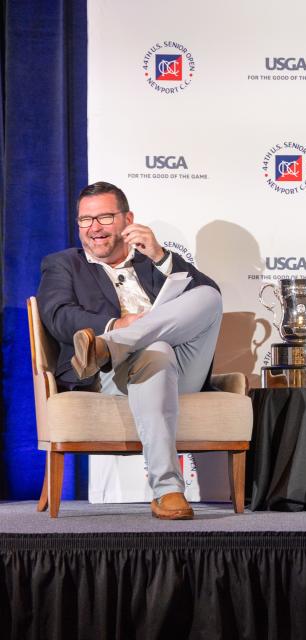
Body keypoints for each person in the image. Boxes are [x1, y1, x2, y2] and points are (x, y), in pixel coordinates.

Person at [37, 182, 222, 520]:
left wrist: (161, 257)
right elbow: (58, 315)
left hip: (181, 369)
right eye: (85, 220)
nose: (94, 228)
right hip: (113, 375)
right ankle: (168, 491)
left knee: (208, 296)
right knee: (157, 350)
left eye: (105, 217)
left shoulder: (154, 260)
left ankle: (108, 347)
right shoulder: (63, 264)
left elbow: (203, 300)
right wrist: (115, 323)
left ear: (128, 219)